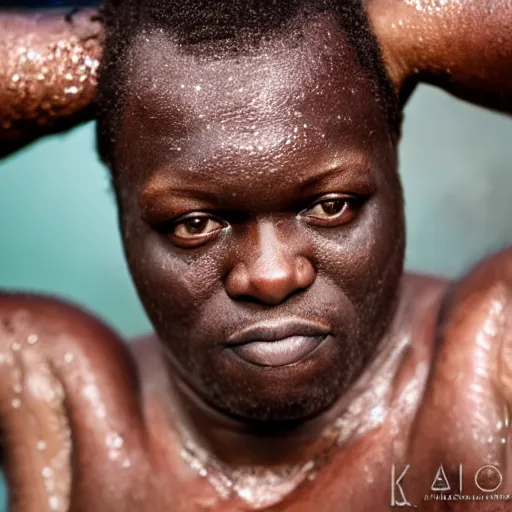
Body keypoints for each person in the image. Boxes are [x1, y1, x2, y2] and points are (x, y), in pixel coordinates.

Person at [0, 0, 511, 510]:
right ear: (120, 208)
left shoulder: (485, 365)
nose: (271, 276)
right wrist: (109, 59)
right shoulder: (63, 399)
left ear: (393, 169)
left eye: (331, 207)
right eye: (194, 225)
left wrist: (394, 31)